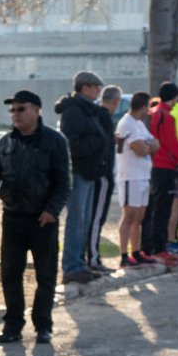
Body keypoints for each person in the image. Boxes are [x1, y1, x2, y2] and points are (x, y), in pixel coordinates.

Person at [0, 90, 69, 343]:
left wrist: (52, 210)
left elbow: (63, 182)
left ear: (36, 110)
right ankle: (13, 325)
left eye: (21, 109)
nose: (15, 114)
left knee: (46, 275)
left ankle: (43, 325)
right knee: (10, 274)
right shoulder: (6, 142)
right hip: (13, 217)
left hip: (43, 219)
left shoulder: (54, 141)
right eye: (12, 110)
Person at [55, 71, 111, 283]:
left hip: (89, 171)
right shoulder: (74, 111)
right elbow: (72, 144)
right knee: (76, 221)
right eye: (96, 87)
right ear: (85, 87)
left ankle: (80, 263)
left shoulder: (87, 110)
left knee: (85, 221)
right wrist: (98, 143)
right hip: (79, 171)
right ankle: (71, 266)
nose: (98, 91)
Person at [141, 82, 178, 264]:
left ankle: (152, 246)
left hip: (153, 164)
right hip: (164, 166)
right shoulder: (166, 116)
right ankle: (160, 248)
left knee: (155, 208)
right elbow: (173, 144)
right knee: (162, 209)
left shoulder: (153, 113)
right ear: (175, 97)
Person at [113, 92, 159, 266]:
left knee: (139, 216)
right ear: (143, 106)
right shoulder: (127, 123)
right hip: (130, 176)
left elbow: (155, 143)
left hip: (143, 176)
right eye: (148, 106)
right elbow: (140, 149)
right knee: (130, 215)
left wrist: (147, 146)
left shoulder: (139, 124)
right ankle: (124, 255)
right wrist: (147, 146)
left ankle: (136, 251)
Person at [87, 84, 121, 272]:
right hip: (103, 174)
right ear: (115, 101)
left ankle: (92, 256)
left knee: (94, 217)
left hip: (99, 172)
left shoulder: (96, 115)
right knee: (97, 218)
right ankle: (93, 258)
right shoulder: (104, 116)